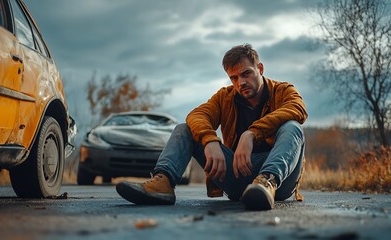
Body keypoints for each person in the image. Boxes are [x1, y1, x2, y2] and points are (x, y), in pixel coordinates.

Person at [116, 43, 308, 211]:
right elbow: (197, 115)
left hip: (280, 182)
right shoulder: (225, 97)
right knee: (185, 129)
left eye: (246, 73)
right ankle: (163, 184)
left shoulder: (283, 91)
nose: (240, 82)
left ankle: (266, 182)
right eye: (233, 78)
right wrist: (209, 140)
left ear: (260, 68)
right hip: (238, 174)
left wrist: (251, 133)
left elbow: (297, 108)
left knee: (292, 127)